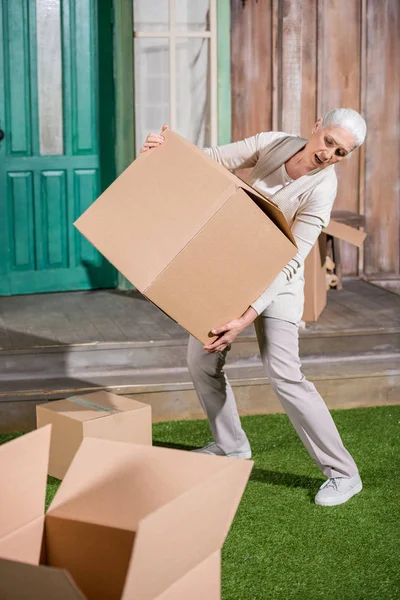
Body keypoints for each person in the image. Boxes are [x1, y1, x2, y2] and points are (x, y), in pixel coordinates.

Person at [140, 108, 367, 507]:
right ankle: (230, 446)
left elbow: (292, 258)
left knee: (284, 374)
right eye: (329, 141)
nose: (329, 154)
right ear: (316, 127)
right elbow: (210, 158)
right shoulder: (273, 142)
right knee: (201, 360)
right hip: (232, 271)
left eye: (341, 152)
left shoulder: (322, 189)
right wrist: (164, 150)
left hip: (277, 283)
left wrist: (247, 315)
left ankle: (344, 474)